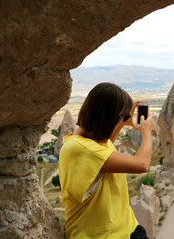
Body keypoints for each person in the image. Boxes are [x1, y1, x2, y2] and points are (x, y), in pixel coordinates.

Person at [59, 82, 153, 239]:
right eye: (121, 116)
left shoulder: (84, 139)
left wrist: (123, 122)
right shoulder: (83, 149)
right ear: (109, 117)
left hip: (126, 228)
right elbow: (142, 164)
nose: (123, 119)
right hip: (105, 235)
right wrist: (147, 133)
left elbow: (107, 144)